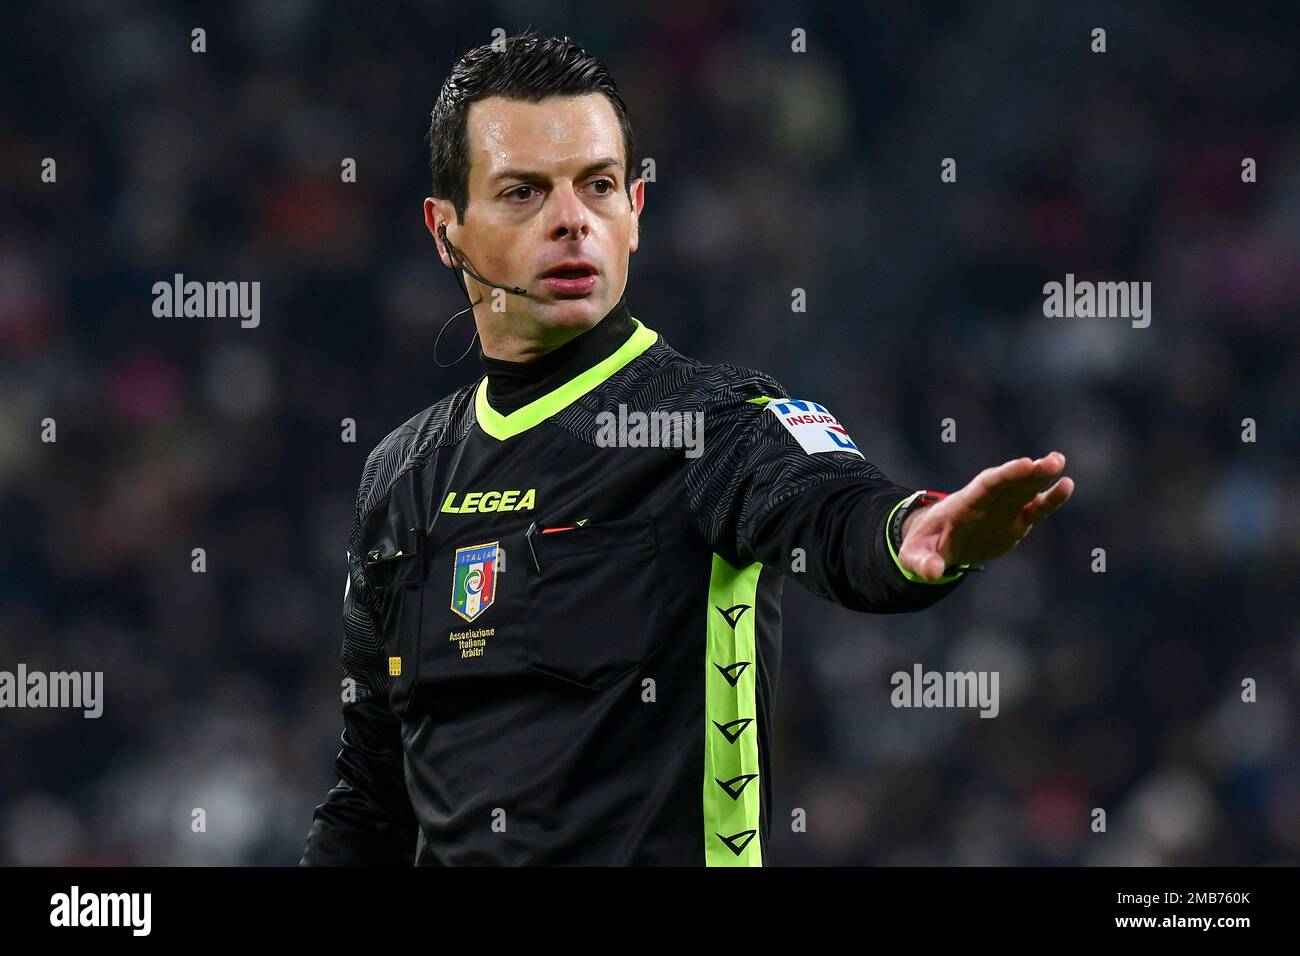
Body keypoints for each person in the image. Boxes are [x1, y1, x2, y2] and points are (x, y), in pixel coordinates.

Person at [301, 32, 1073, 866]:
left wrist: (911, 533)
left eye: (598, 186)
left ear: (636, 212)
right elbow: (372, 799)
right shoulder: (400, 477)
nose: (571, 220)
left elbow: (829, 507)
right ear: (445, 229)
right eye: (523, 193)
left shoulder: (711, 422)